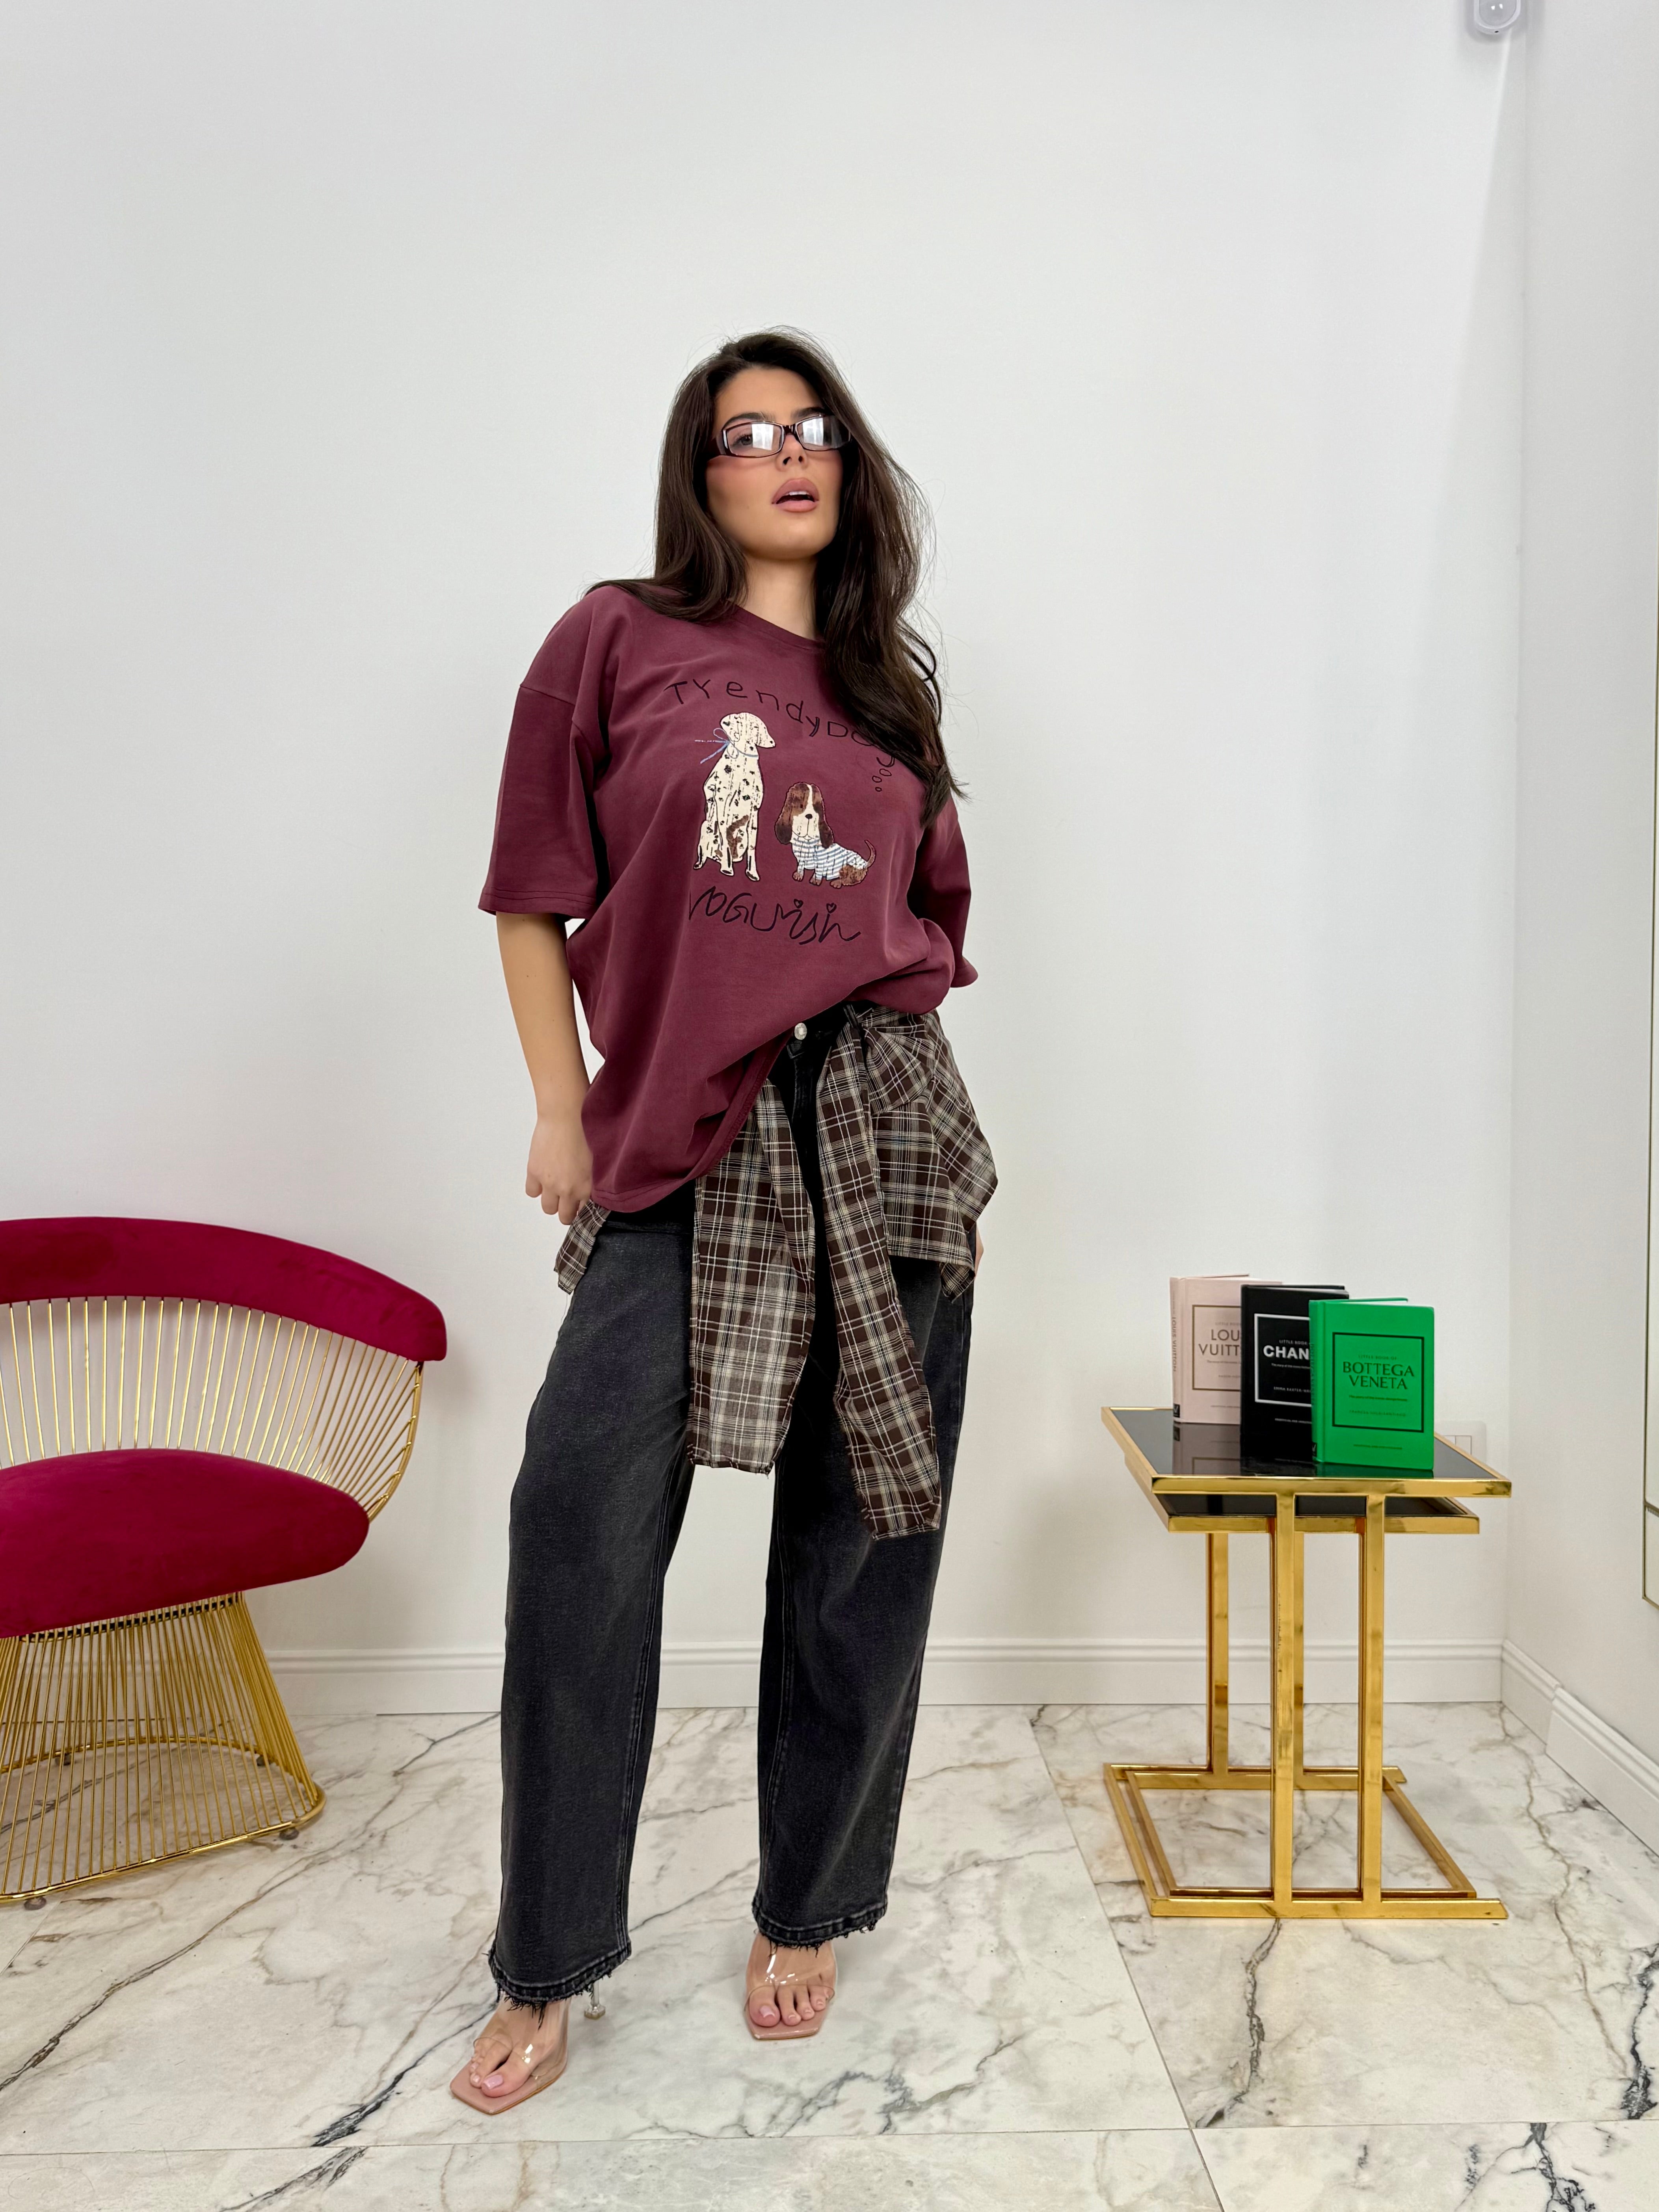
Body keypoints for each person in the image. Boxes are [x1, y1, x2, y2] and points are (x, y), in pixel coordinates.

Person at [452, 329, 996, 2113]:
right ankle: (546, 1955)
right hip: (687, 1137)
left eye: (812, 426)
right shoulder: (613, 638)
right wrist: (562, 1108)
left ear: (851, 463)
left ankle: (810, 1901)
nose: (786, 452)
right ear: (699, 475)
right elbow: (534, 895)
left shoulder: (889, 685)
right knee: (578, 1527)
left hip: (882, 1122)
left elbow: (926, 926)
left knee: (862, 1536)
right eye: (745, 432)